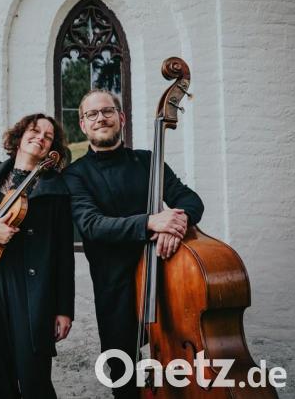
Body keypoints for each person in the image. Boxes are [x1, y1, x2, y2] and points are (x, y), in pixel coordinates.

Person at [62, 90, 204, 398]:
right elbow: (91, 224)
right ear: (83, 125)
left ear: (121, 118)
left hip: (166, 283)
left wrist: (175, 227)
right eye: (92, 114)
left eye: (108, 111)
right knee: (123, 376)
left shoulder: (147, 161)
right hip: (116, 291)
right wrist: (152, 222)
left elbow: (190, 201)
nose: (101, 118)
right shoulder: (75, 174)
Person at [0, 113, 75, 398]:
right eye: (35, 131)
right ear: (19, 137)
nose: (41, 138)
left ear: (51, 149)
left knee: (35, 381)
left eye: (48, 136)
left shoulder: (56, 190)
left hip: (34, 293)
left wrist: (64, 309)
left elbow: (63, 255)